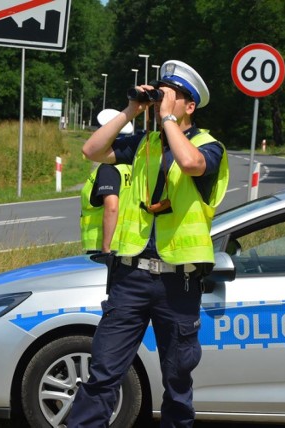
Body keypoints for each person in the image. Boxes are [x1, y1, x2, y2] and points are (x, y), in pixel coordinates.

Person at [67, 60, 229, 428]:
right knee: (104, 372)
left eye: (169, 96)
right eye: (159, 95)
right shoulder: (143, 143)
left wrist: (169, 120)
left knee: (177, 381)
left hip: (179, 282)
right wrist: (131, 109)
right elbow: (91, 150)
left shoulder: (209, 146)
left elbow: (190, 164)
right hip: (131, 277)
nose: (161, 104)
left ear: (190, 106)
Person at [80, 162, 132, 253]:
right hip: (125, 243)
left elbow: (112, 208)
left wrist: (105, 247)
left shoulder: (108, 169)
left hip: (103, 246)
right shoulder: (129, 168)